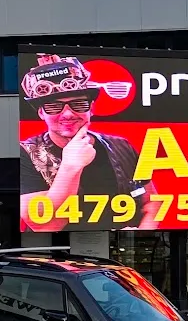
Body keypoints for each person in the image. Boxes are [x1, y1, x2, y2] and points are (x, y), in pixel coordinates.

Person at [19, 53, 159, 232]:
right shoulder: (25, 153)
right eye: (54, 106)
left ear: (91, 108)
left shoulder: (122, 146)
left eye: (78, 104)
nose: (68, 114)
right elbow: (45, 226)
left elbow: (152, 202)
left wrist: (140, 234)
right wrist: (71, 167)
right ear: (41, 113)